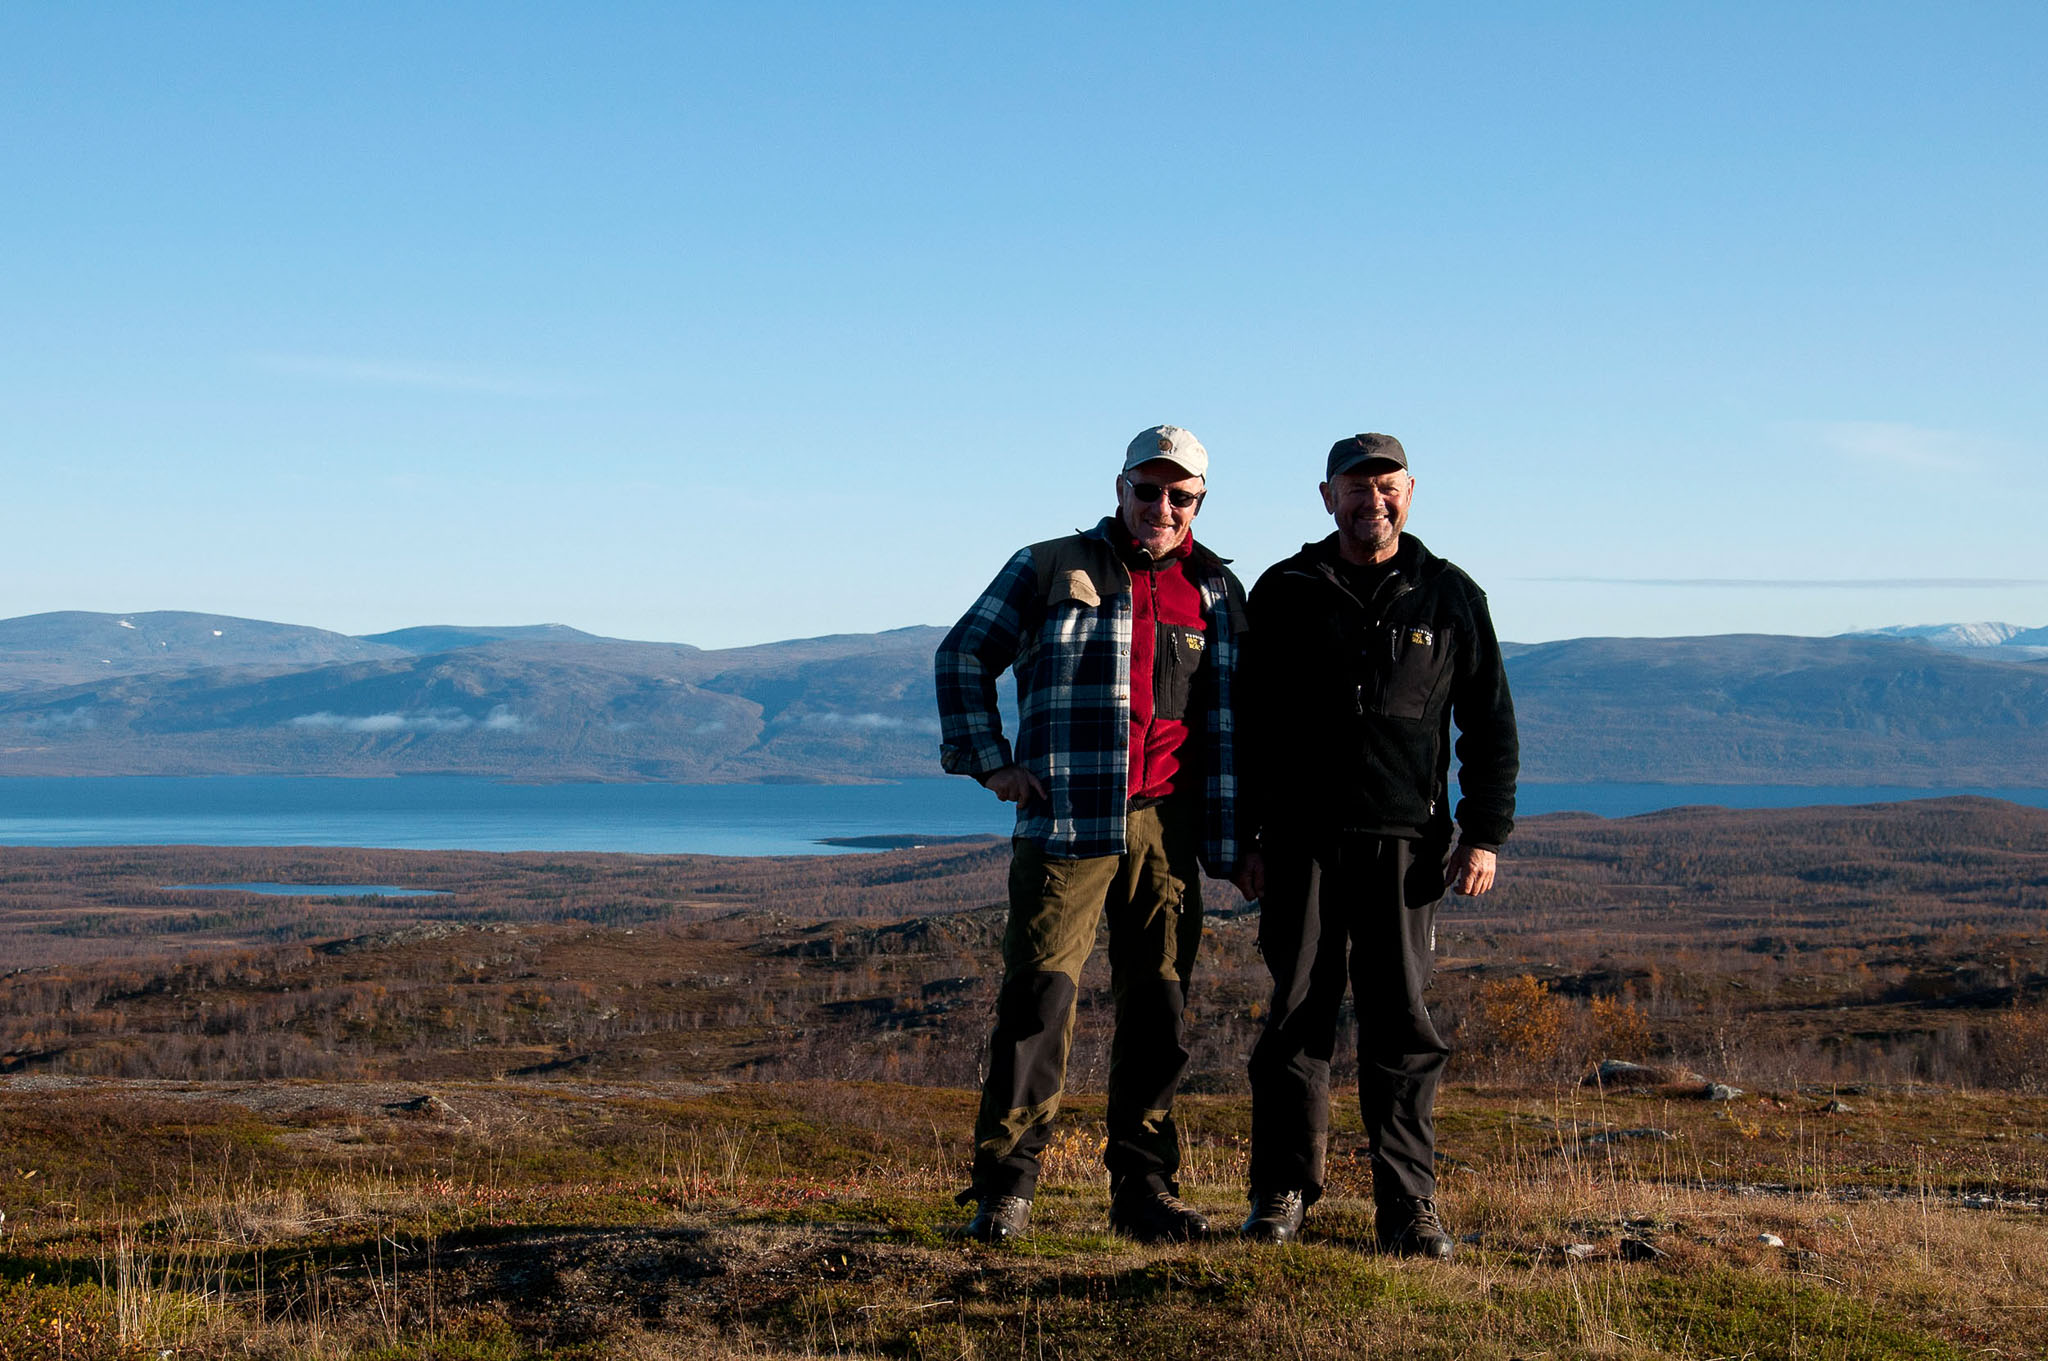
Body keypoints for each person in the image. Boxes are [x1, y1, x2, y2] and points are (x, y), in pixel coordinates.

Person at [936, 425, 1257, 1244]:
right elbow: (965, 653)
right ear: (1119, 488)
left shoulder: (1217, 590)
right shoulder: (1048, 566)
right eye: (1146, 490)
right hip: (1067, 816)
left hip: (1167, 825)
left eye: (1178, 494)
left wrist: (1243, 834)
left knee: (1160, 1006)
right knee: (1038, 1000)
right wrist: (991, 762)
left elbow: (1241, 721)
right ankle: (1005, 1189)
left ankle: (1144, 1189)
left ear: (1199, 502)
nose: (1160, 506)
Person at [1237, 432, 1517, 1257]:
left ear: (1411, 491)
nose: (1372, 503)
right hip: (1300, 842)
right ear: (1327, 497)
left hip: (1408, 847)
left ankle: (1407, 1203)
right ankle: (1282, 1191)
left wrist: (1486, 832)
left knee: (1401, 1024)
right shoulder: (1285, 589)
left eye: (1386, 488)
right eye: (1355, 491)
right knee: (1294, 1017)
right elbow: (1248, 726)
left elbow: (1489, 727)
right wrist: (1247, 834)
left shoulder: (1450, 595)